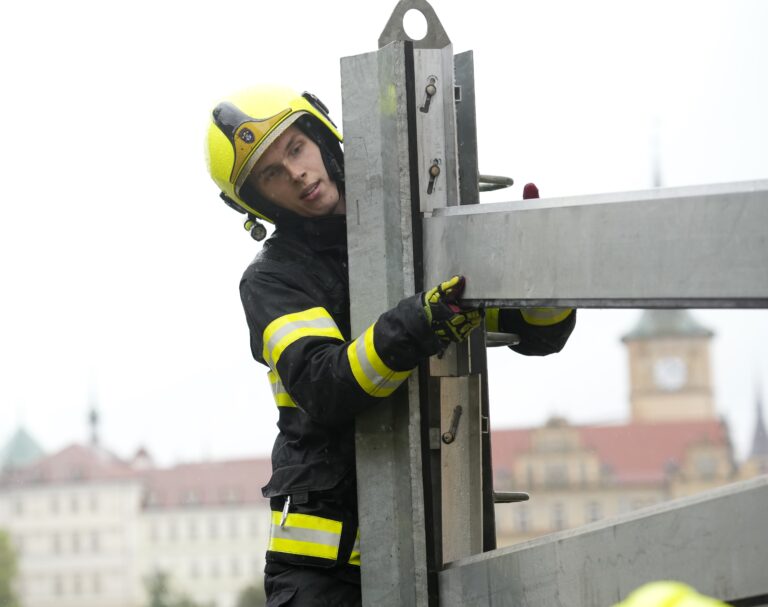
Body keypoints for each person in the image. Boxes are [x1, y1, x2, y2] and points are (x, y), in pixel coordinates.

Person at [205, 85, 575, 606]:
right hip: (322, 580)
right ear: (258, 201)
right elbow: (327, 385)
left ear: (320, 136)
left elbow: (540, 334)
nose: (297, 174)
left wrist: (537, 270)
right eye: (271, 174)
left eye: (294, 149)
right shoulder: (272, 280)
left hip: (435, 548)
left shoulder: (411, 232)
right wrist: (418, 323)